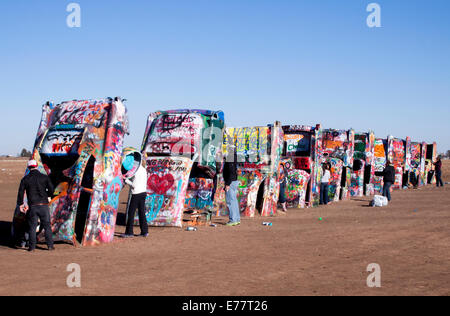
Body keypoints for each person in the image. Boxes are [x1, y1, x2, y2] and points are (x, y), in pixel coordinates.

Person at [17, 160, 55, 252]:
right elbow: (52, 189)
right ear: (37, 166)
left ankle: (32, 247)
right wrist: (48, 195)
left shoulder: (25, 179)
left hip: (33, 206)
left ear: (29, 167)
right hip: (44, 205)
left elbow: (21, 192)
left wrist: (20, 204)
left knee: (32, 227)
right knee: (47, 226)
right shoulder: (44, 177)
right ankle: (50, 246)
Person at [121, 157, 149, 238]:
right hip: (143, 193)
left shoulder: (135, 171)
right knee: (142, 213)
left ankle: (129, 232)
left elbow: (134, 185)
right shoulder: (144, 170)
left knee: (131, 213)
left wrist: (125, 180)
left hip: (136, 193)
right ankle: (145, 231)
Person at [223, 147, 240, 226]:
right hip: (234, 180)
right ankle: (236, 219)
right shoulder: (234, 156)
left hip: (231, 181)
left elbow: (230, 171)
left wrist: (227, 183)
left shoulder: (230, 157)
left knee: (230, 201)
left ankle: (233, 219)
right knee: (234, 201)